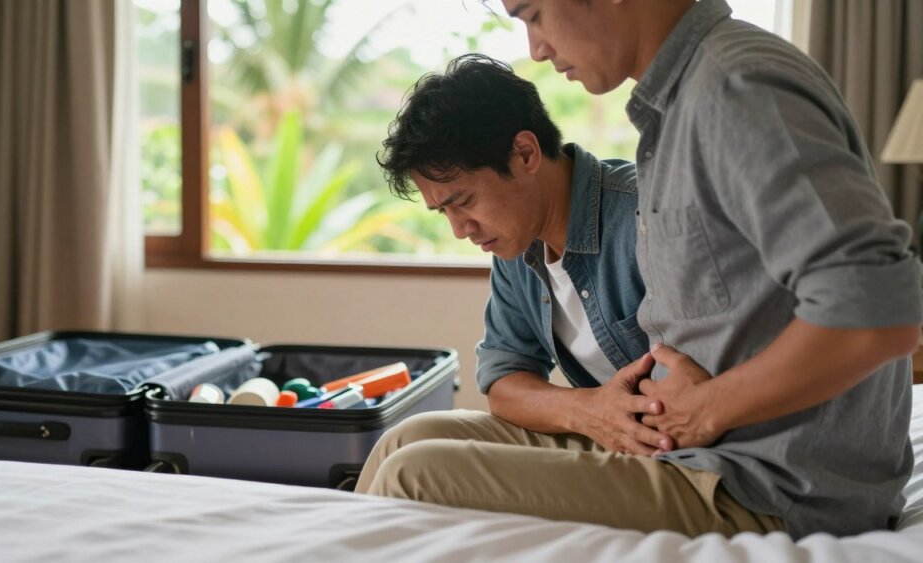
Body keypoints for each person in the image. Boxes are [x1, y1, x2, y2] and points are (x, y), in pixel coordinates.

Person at [485, 0, 922, 540]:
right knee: (414, 439)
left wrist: (708, 410)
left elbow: (878, 313)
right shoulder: (679, 108)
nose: (536, 48)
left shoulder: (736, 86)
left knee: (420, 470)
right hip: (693, 454)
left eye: (533, 14)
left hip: (762, 486)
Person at [355, 53, 786, 537]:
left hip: (718, 471)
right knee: (408, 438)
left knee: (418, 472)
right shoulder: (517, 246)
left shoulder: (648, 220)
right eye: (444, 214)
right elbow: (503, 381)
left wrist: (602, 415)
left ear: (525, 154)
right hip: (630, 443)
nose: (460, 230)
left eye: (464, 201)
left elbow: (687, 404)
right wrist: (591, 411)